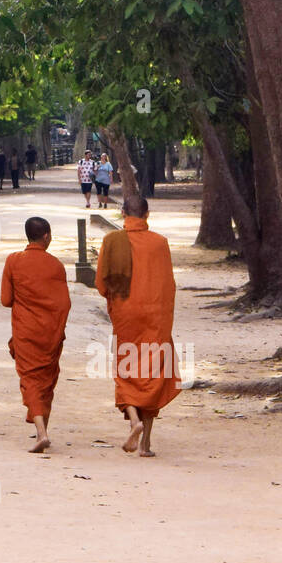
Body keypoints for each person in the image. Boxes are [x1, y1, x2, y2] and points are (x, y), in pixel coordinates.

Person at [94, 195, 179, 457]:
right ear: (147, 214)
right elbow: (168, 285)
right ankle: (146, 445)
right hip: (155, 315)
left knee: (126, 368)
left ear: (122, 213)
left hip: (126, 314)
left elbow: (101, 285)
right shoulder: (160, 243)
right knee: (152, 372)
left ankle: (134, 420)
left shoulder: (112, 241)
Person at [0, 217, 71, 453]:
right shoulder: (56, 265)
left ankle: (41, 433)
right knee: (46, 380)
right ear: (47, 236)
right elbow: (64, 304)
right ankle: (44, 429)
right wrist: (58, 329)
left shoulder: (13, 261)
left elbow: (6, 300)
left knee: (30, 379)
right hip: (50, 331)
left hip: (25, 330)